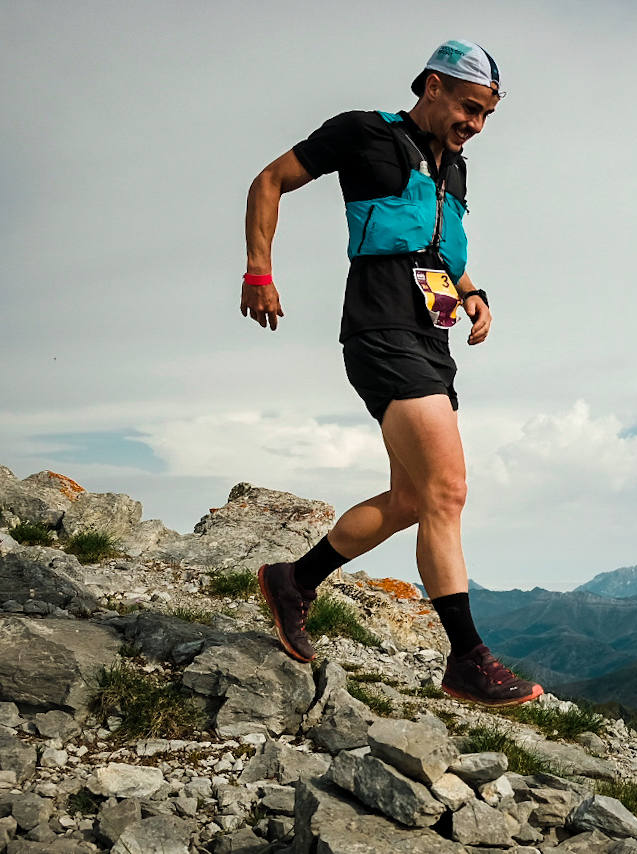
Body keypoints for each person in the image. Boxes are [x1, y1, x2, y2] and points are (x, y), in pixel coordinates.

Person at [240, 39, 543, 708]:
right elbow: (269, 181)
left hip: (429, 333)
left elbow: (436, 249)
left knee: (412, 500)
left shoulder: (455, 169)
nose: (476, 125)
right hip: (379, 324)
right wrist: (258, 270)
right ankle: (466, 659)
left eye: (487, 114)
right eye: (469, 107)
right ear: (432, 85)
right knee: (447, 492)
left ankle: (294, 580)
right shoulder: (363, 133)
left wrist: (471, 292)